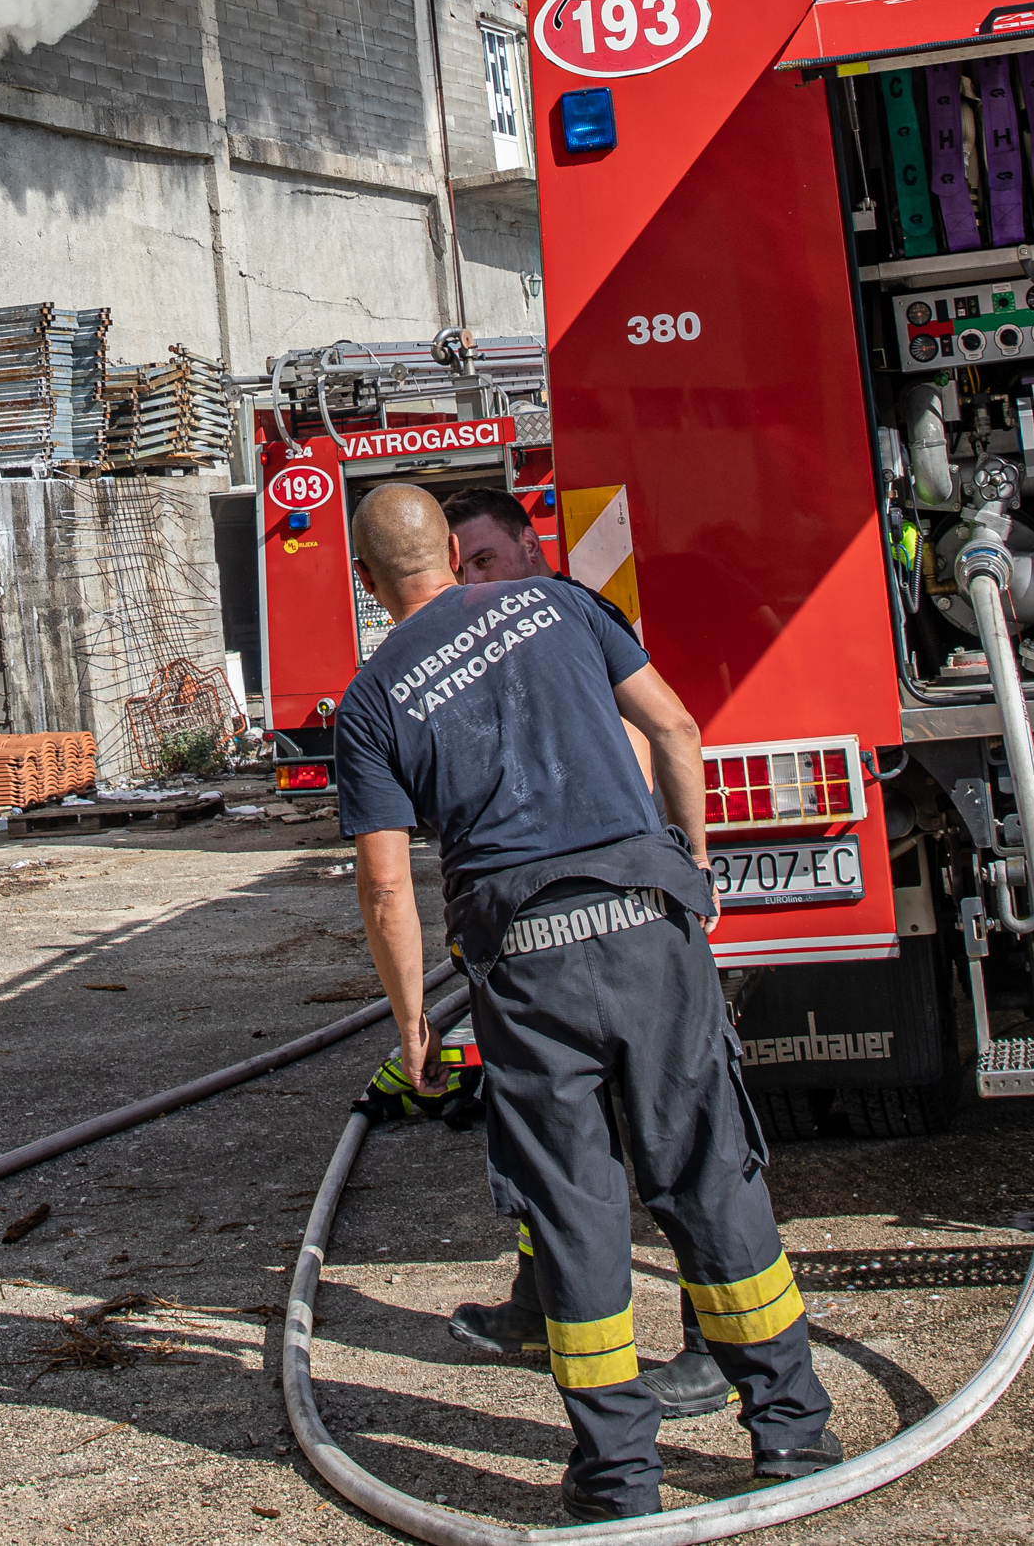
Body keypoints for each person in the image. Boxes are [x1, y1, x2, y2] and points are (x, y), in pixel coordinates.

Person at [335, 482, 834, 1518]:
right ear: (448, 549)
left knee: (571, 1209)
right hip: (649, 930)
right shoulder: (563, 603)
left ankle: (618, 1480)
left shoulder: (374, 699)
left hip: (525, 966)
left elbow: (384, 883)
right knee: (708, 1175)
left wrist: (413, 1024)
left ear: (368, 579)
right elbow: (676, 729)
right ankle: (792, 1433)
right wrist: (688, 865)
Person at [437, 485, 738, 1425]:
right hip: (531, 934)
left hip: (618, 927)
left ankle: (713, 1347)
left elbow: (659, 735)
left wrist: (685, 861)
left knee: (681, 1148)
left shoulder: (572, 620)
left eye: (485, 561)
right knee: (547, 1142)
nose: (472, 583)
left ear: (531, 550)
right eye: (458, 568)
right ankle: (538, 1306)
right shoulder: (468, 650)